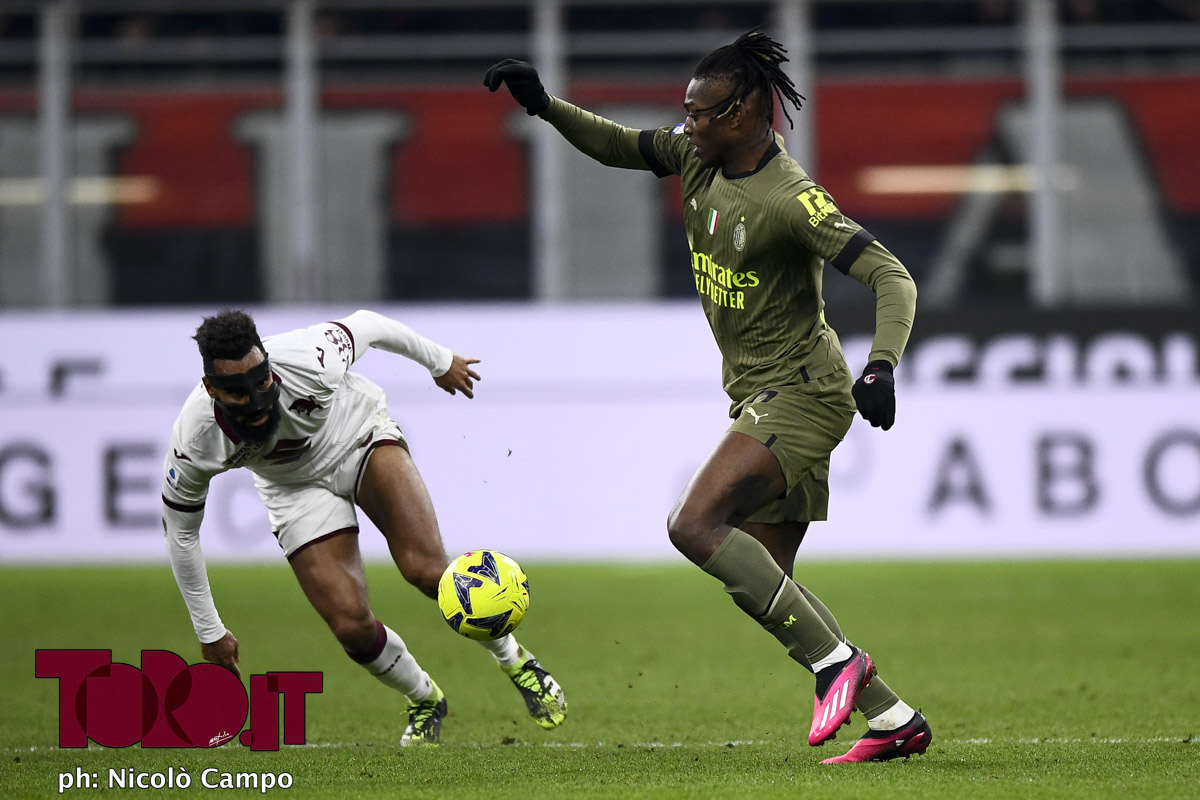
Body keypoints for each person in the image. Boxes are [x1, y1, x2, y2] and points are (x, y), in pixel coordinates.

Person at [485, 30, 928, 764]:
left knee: (692, 524)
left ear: (742, 112)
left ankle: (838, 666)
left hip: (804, 393)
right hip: (759, 393)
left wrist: (881, 365)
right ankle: (893, 719)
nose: (686, 124)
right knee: (768, 587)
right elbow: (618, 145)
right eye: (686, 112)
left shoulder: (791, 199)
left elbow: (891, 276)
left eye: (699, 112)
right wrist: (544, 105)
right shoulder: (697, 157)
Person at [160, 308, 567, 746]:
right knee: (351, 627)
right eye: (238, 393)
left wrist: (440, 361)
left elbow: (369, 325)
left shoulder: (309, 357)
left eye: (261, 382)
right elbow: (181, 533)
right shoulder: (194, 440)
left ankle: (516, 662)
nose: (257, 401)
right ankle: (424, 698)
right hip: (294, 490)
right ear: (211, 389)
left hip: (359, 436)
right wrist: (210, 632)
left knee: (427, 570)